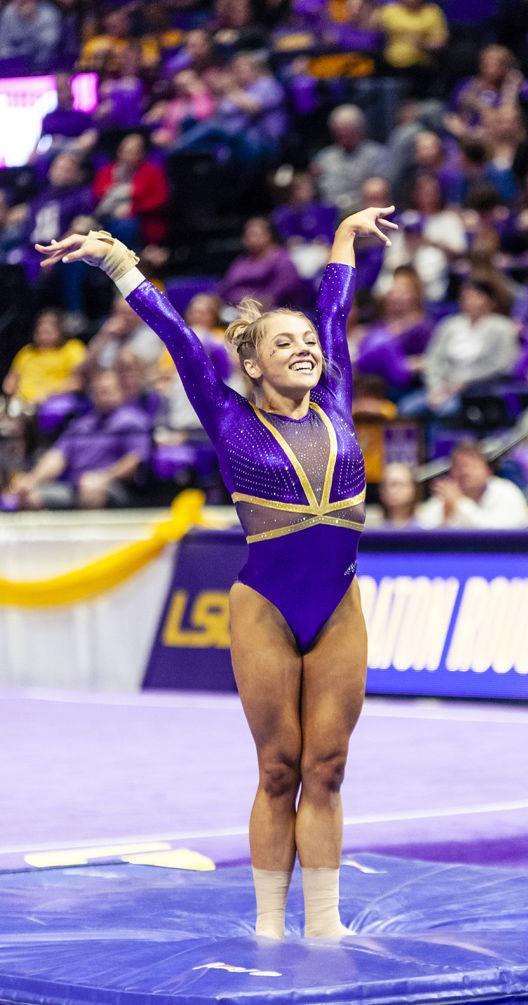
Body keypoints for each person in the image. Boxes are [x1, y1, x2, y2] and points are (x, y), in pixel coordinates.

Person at [36, 204, 398, 939]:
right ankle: (270, 925)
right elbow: (176, 335)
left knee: (327, 764)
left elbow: (334, 307)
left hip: (340, 603)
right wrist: (113, 257)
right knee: (280, 769)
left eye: (307, 342)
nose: (304, 347)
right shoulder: (228, 415)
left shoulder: (334, 397)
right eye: (283, 343)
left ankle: (324, 928)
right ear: (254, 364)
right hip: (264, 603)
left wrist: (342, 238)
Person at [12, 367, 151, 509]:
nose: (101, 396)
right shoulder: (82, 424)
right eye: (97, 392)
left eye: (106, 391)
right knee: (29, 496)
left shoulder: (133, 421)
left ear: (121, 392)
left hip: (116, 487)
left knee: (91, 491)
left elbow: (134, 461)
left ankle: (93, 532)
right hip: (75, 487)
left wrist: (103, 478)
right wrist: (32, 480)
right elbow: (57, 457)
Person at [400, 277, 518, 416]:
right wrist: (435, 388)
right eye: (465, 297)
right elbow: (433, 359)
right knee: (405, 408)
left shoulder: (502, 327)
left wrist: (465, 382)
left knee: (447, 410)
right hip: (443, 387)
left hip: (479, 390)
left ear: (490, 301)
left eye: (476, 296)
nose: (469, 301)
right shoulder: (449, 325)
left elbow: (502, 365)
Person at [418, 440, 528, 528]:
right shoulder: (447, 495)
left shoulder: (506, 491)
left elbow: (494, 534)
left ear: (488, 471)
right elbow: (423, 529)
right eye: (458, 467)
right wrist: (447, 514)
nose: (465, 472)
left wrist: (460, 503)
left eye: (472, 466)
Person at [2, 309, 85, 409]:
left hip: (55, 401)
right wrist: (14, 397)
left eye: (47, 332)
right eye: (39, 332)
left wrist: (50, 393)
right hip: (22, 403)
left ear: (60, 331)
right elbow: (9, 383)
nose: (42, 337)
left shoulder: (72, 348)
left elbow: (78, 382)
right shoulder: (27, 352)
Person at [378, 462, 420, 527]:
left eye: (397, 484)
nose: (391, 490)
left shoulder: (426, 530)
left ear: (413, 489)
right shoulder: (373, 531)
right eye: (385, 485)